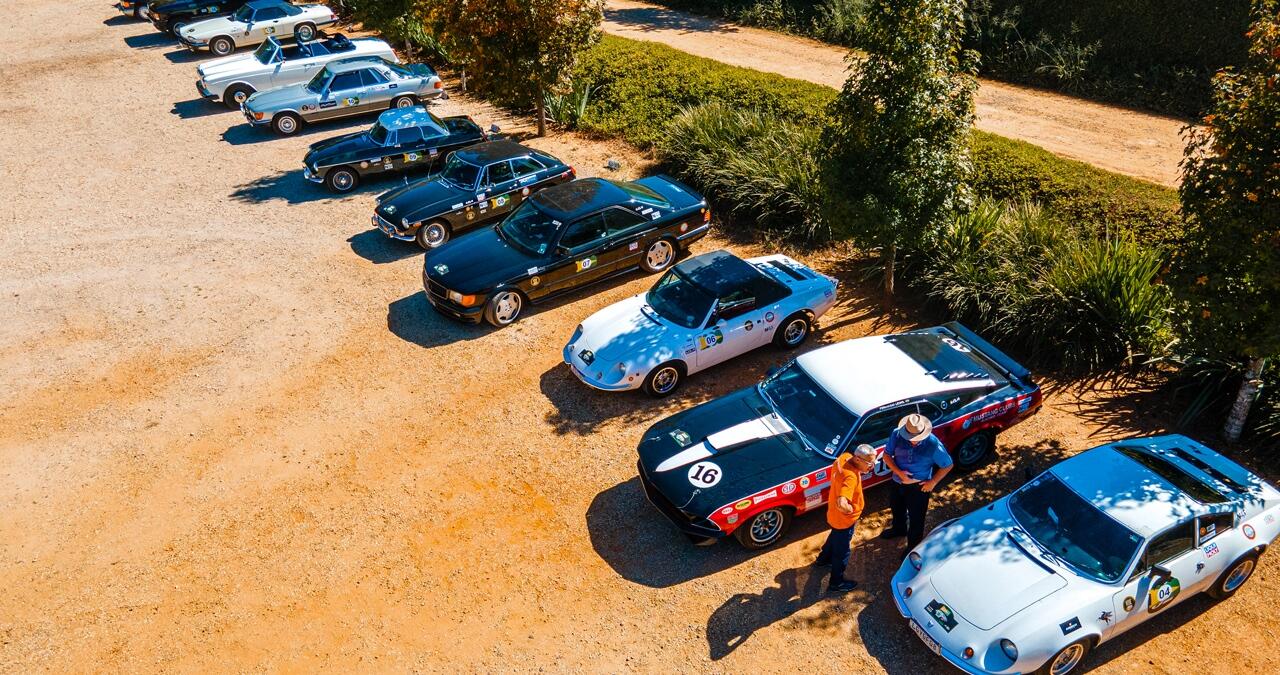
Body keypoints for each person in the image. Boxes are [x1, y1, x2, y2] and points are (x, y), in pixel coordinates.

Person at [879, 413, 953, 552]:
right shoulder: (896, 434)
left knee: (916, 518)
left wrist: (933, 482)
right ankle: (899, 529)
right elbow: (887, 456)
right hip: (897, 482)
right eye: (910, 437)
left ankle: (912, 547)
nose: (913, 441)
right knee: (896, 508)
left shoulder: (933, 444)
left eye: (916, 438)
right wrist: (899, 473)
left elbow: (947, 465)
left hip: (919, 488)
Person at [815, 443, 877, 593]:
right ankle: (836, 582)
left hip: (834, 517)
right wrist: (850, 511)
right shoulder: (850, 477)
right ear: (857, 459)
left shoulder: (844, 458)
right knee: (842, 552)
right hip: (844, 521)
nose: (872, 466)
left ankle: (823, 559)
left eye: (874, 462)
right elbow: (842, 502)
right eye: (869, 463)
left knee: (835, 535)